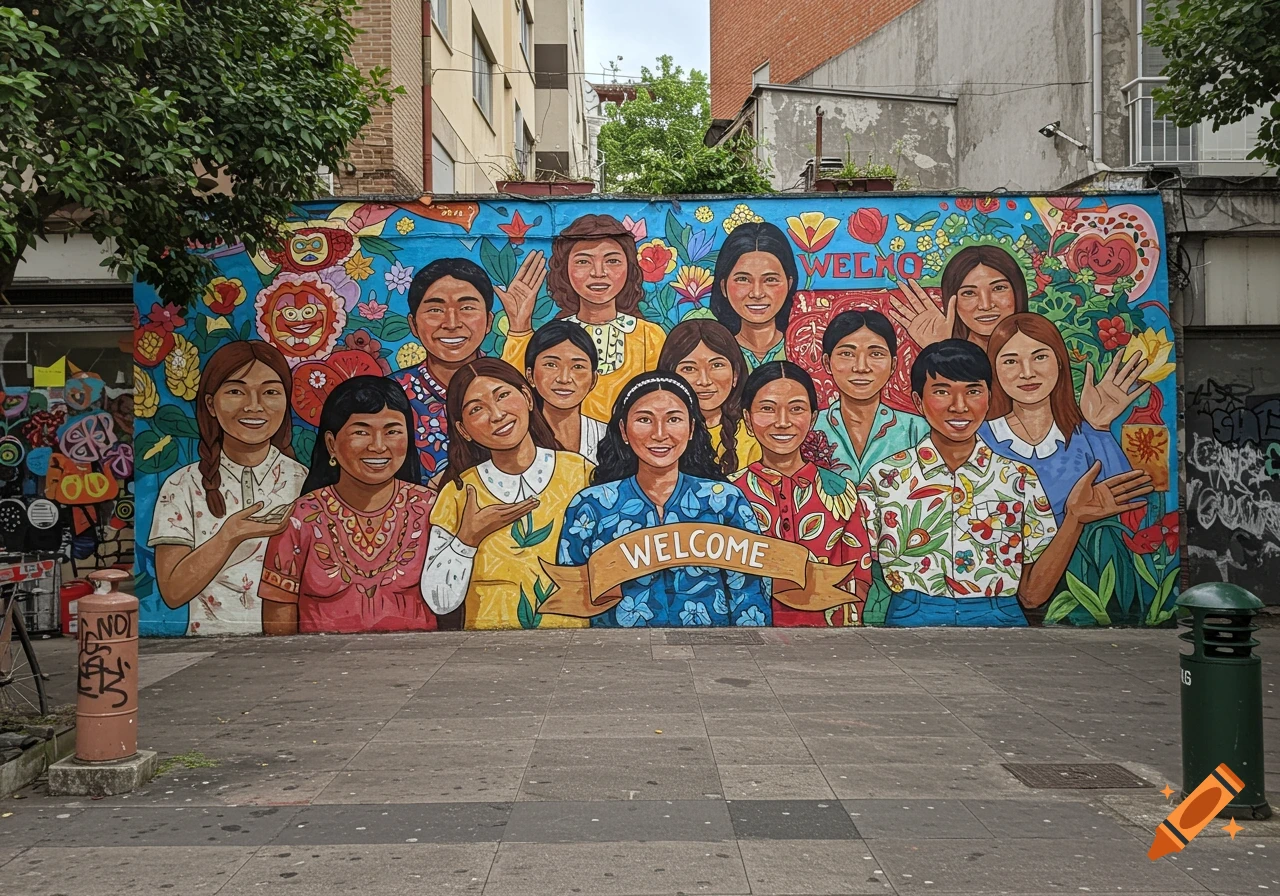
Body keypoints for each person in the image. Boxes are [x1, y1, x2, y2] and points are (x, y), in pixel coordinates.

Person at [857, 340, 1154, 627]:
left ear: (988, 397)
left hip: (1000, 614)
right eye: (942, 392)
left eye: (973, 391)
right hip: (910, 614)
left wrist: (1074, 518)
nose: (959, 406)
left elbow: (1032, 595)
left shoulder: (1018, 480)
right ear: (918, 401)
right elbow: (861, 567)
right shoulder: (885, 478)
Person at [556, 372, 772, 627]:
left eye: (673, 419)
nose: (660, 434)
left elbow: (749, 595)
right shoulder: (591, 506)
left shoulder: (724, 501)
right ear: (624, 430)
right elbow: (572, 601)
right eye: (645, 419)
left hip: (715, 654)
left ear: (691, 428)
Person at [887, 245, 1149, 430]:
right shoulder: (932, 359)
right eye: (969, 293)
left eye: (999, 288)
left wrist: (1098, 425)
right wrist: (943, 354)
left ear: (1018, 292)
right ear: (951, 302)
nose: (986, 304)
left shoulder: (1048, 354)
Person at [149, 342, 307, 636]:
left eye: (271, 392)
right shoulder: (182, 485)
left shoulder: (304, 481)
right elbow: (172, 592)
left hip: (291, 648)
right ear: (210, 403)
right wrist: (229, 536)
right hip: (208, 648)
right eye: (236, 391)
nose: (254, 405)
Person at [259, 377, 439, 634]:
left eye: (392, 431)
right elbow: (278, 628)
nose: (378, 446)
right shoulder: (301, 517)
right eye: (361, 431)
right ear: (331, 444)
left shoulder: (432, 510)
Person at [422, 358, 592, 629]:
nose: (497, 415)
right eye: (476, 409)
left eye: (502, 396)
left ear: (526, 397)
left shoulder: (582, 474)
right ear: (463, 430)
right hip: (487, 647)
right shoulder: (457, 492)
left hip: (573, 640)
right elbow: (440, 600)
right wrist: (468, 538)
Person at [732, 362, 872, 627]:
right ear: (748, 420)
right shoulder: (728, 494)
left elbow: (858, 576)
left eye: (796, 409)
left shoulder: (841, 491)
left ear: (813, 418)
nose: (782, 422)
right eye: (767, 409)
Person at [498, 214, 665, 420]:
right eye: (583, 261)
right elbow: (515, 395)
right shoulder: (551, 337)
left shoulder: (649, 337)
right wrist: (519, 327)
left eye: (612, 261)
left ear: (629, 268)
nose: (598, 272)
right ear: (565, 269)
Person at [980, 313, 1133, 522]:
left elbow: (1129, 505)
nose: (1027, 373)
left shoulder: (1089, 435)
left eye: (1040, 357)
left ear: (1060, 362)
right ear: (994, 371)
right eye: (1010, 361)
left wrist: (1101, 429)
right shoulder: (980, 438)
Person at [390, 258, 495, 481]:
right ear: (413, 325)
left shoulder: (509, 386)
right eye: (435, 310)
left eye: (467, 308)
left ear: (488, 321)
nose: (451, 323)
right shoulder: (390, 394)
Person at [811, 309, 929, 486]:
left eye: (876, 354)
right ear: (827, 363)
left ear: (893, 365)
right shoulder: (809, 427)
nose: (861, 367)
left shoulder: (917, 430)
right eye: (847, 354)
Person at [657, 319, 761, 475]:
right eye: (689, 368)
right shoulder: (657, 434)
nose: (704, 381)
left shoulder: (753, 436)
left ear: (736, 375)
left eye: (717, 365)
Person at [710, 221, 799, 372]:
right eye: (743, 279)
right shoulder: (713, 351)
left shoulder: (807, 351)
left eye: (770, 280)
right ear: (723, 286)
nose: (757, 293)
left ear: (789, 284)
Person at [522, 319, 607, 463]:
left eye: (578, 367)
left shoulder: (607, 437)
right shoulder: (520, 437)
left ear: (593, 379)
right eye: (551, 365)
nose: (564, 378)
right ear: (530, 375)